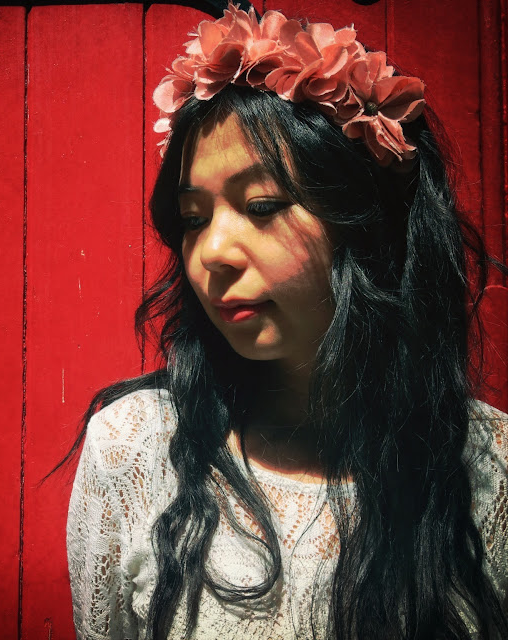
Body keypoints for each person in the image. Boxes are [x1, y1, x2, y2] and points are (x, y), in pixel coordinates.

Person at [64, 4, 508, 639]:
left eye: (263, 205)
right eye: (193, 218)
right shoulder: (136, 449)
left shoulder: (492, 471)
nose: (211, 252)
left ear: (365, 224)